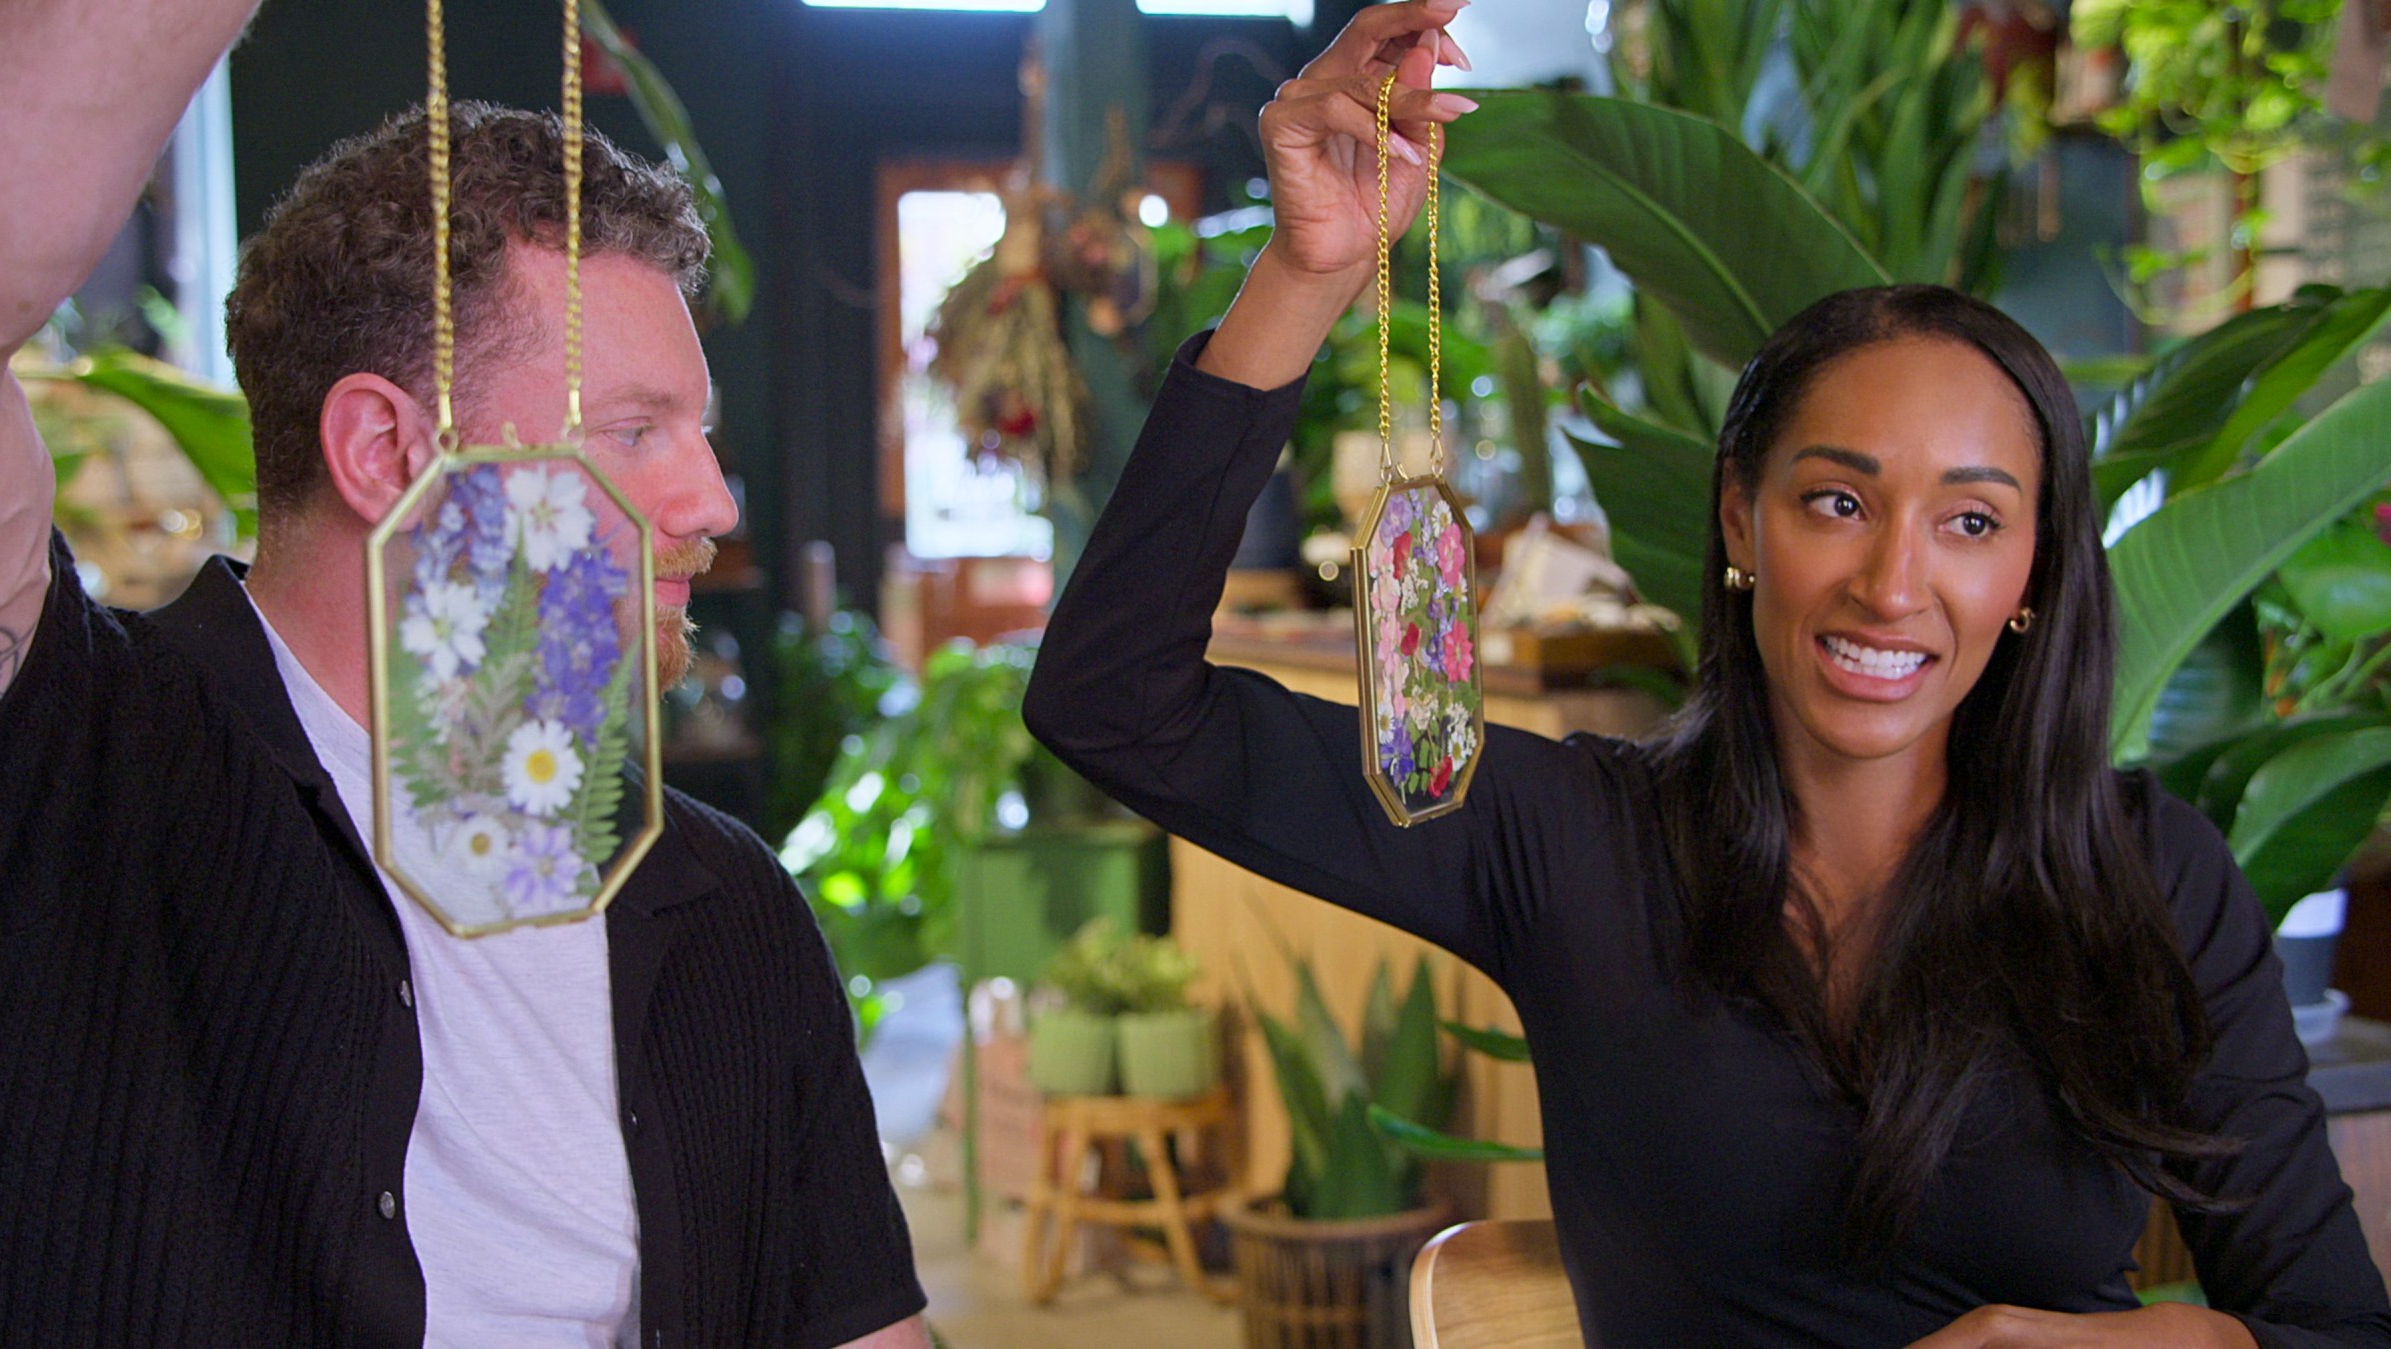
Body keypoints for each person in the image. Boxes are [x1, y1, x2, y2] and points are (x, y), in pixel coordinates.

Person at [1022, 2, 2391, 1345]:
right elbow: (1115, 701)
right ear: (1741, 518)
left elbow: (2327, 1322)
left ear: (2031, 576)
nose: (1895, 581)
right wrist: (1310, 272)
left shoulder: (2146, 876)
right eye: (1838, 502)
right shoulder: (1567, 843)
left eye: (1971, 522)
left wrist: (2138, 1343)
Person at [0, 6, 926, 1346]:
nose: (714, 497)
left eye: (699, 433)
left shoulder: (728, 912)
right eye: (635, 430)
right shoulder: (77, 765)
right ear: (385, 450)